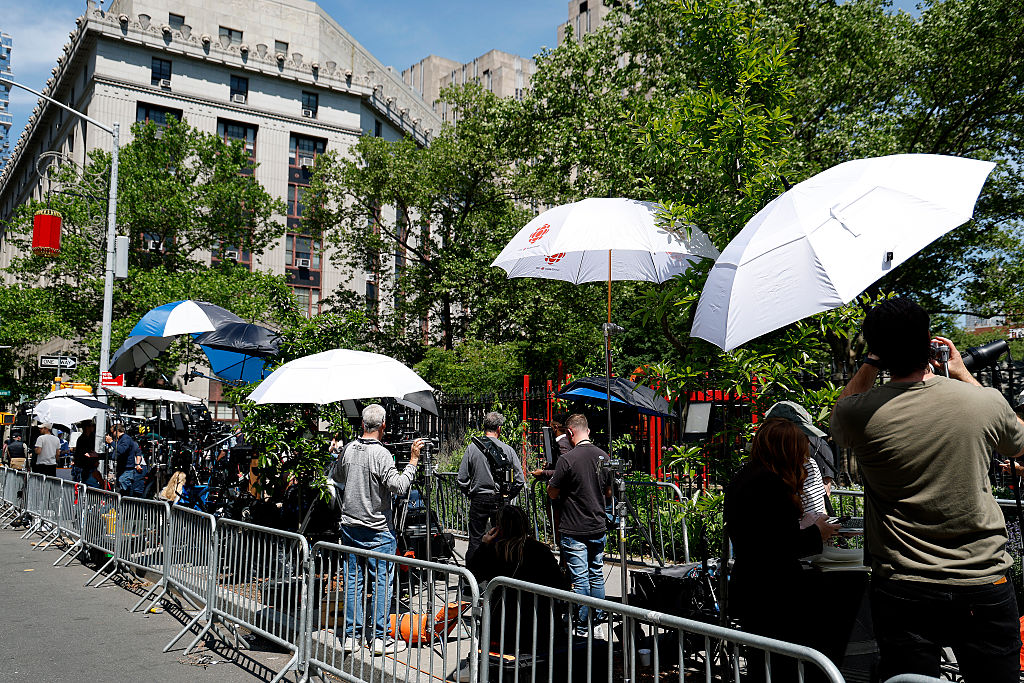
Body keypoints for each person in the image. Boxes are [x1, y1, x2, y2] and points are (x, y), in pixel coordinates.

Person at [831, 297, 1024, 682]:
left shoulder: (858, 413)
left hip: (905, 585)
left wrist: (871, 361)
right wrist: (962, 373)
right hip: (983, 579)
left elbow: (841, 410)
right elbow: (1019, 442)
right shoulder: (983, 402)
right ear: (928, 344)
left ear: (879, 351)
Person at [726, 418, 839, 680]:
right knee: (779, 665)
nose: (805, 457)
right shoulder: (769, 484)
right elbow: (777, 544)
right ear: (786, 449)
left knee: (762, 661)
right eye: (800, 449)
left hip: (753, 587)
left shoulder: (746, 477)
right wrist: (817, 533)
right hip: (772, 592)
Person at [335, 404, 422, 655]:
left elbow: (338, 477)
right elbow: (399, 486)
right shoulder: (382, 454)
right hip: (378, 529)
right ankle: (381, 638)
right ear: (383, 425)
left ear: (363, 424)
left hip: (351, 527)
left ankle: (352, 636)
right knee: (382, 583)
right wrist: (413, 461)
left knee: (353, 582)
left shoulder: (349, 449)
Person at [468, 505, 570, 657]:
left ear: (498, 528)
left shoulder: (494, 550)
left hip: (502, 624)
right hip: (539, 623)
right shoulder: (539, 550)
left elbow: (473, 574)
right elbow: (562, 585)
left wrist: (484, 544)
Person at [547, 413, 612, 635]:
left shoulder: (568, 460)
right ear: (589, 431)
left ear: (571, 432)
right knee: (596, 574)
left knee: (581, 578)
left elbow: (553, 492)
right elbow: (610, 492)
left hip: (574, 527)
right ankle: (598, 620)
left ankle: (583, 626)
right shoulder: (604, 457)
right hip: (597, 524)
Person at [457, 411, 525, 563]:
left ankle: (472, 579)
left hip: (478, 498)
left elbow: (461, 479)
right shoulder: (508, 450)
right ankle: (500, 579)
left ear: (484, 427)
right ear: (499, 428)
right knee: (502, 540)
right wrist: (508, 495)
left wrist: (471, 493)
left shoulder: (472, 448)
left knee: (475, 540)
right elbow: (520, 480)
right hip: (500, 499)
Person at [763, 400, 834, 516]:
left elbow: (821, 512)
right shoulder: (761, 477)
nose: (807, 442)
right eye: (801, 435)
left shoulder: (810, 465)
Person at [106, 423, 147, 497]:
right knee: (121, 485)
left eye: (113, 433)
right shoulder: (121, 440)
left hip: (127, 468)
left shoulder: (126, 439)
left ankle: (128, 503)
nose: (113, 435)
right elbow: (115, 454)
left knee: (125, 484)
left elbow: (121, 450)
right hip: (122, 468)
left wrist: (111, 442)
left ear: (116, 431)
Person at [71, 420, 100, 486]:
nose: (93, 428)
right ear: (87, 427)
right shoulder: (82, 439)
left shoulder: (92, 437)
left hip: (90, 467)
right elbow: (83, 453)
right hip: (83, 467)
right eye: (92, 426)